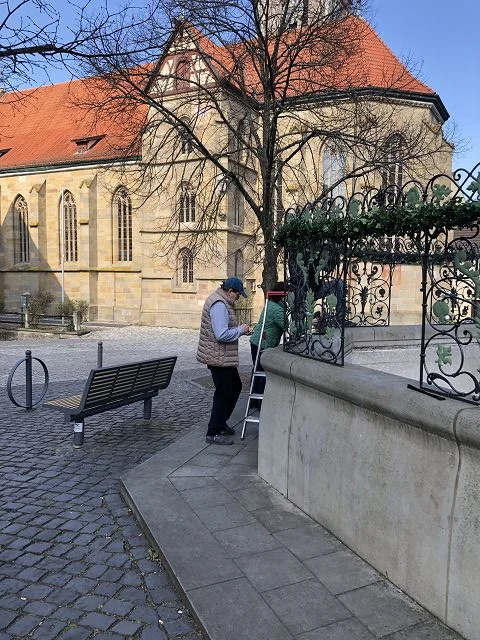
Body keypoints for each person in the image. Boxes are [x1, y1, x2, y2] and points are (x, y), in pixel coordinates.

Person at [197, 277, 251, 445]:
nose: (238, 298)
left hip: (222, 356)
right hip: (218, 356)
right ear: (230, 291)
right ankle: (213, 431)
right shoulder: (219, 305)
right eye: (238, 294)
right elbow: (221, 334)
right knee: (223, 393)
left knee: (235, 387)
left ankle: (220, 423)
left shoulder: (222, 302)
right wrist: (240, 329)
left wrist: (240, 330)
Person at [249, 282, 285, 406]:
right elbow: (288, 326)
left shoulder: (270, 304)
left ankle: (253, 400)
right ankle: (260, 402)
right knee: (262, 372)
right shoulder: (277, 309)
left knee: (257, 370)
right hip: (263, 343)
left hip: (256, 341)